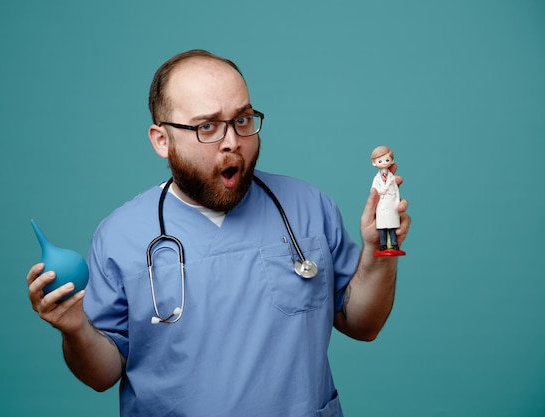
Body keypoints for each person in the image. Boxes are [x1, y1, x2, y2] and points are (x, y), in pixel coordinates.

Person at [27, 49, 411, 417]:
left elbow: (363, 325)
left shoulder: (309, 207)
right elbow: (102, 374)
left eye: (242, 120)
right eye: (207, 126)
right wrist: (75, 329)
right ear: (162, 140)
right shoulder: (120, 237)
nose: (232, 141)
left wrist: (378, 252)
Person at [370, 145, 406, 257]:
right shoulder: (376, 179)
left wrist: (397, 204)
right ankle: (383, 245)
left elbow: (396, 191)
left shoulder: (391, 178)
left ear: (392, 160)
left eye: (386, 160)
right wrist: (381, 191)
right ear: (374, 163)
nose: (384, 162)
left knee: (392, 227)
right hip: (381, 204)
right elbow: (373, 190)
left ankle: (394, 244)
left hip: (391, 204)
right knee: (382, 228)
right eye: (380, 160)